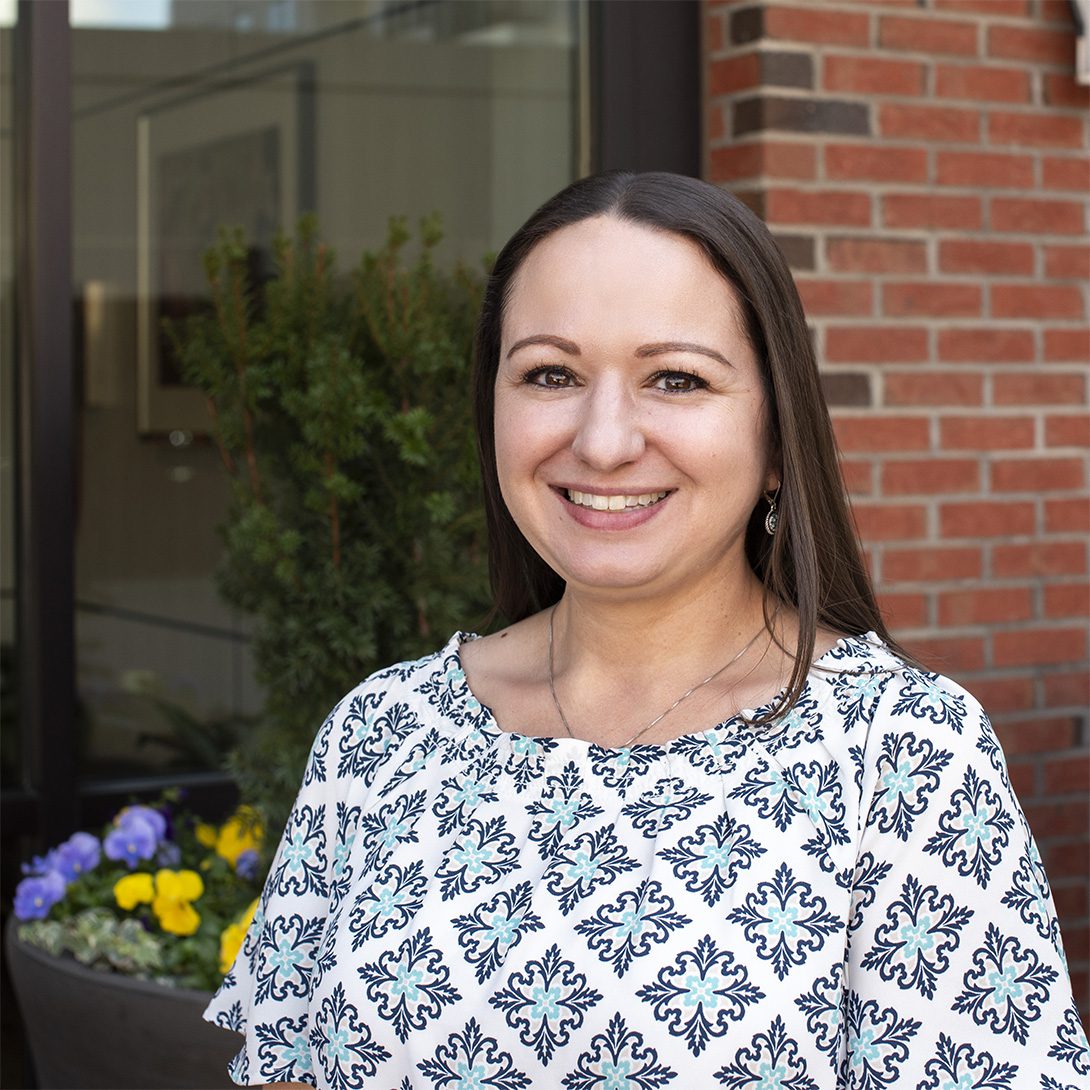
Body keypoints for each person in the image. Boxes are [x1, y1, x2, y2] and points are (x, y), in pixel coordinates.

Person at [204, 172, 1088, 1089]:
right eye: (551, 374)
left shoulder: (897, 754)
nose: (604, 440)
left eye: (676, 378)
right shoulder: (380, 733)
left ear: (779, 437)